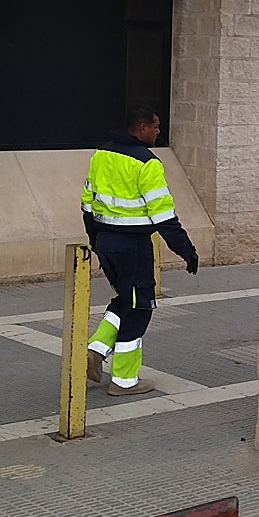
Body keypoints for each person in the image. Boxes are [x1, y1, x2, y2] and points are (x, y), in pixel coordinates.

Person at [81, 105, 199, 396]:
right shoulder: (147, 163)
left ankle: (95, 352)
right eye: (156, 126)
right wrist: (187, 251)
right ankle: (123, 380)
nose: (159, 132)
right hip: (133, 246)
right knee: (140, 307)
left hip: (106, 241)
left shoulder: (102, 154)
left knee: (124, 300)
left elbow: (87, 203)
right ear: (142, 127)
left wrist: (96, 241)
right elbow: (164, 216)